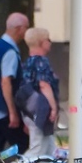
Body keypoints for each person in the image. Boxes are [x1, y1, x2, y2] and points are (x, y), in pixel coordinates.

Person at [0, 12, 30, 153]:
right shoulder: (9, 52)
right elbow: (6, 82)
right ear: (19, 28)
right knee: (23, 146)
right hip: (3, 110)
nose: (26, 32)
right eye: (26, 28)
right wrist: (12, 112)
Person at [16, 27, 59, 156]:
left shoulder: (27, 62)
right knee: (38, 147)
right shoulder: (42, 62)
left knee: (49, 147)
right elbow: (44, 85)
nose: (50, 42)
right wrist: (53, 108)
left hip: (29, 111)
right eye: (48, 39)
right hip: (41, 110)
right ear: (41, 42)